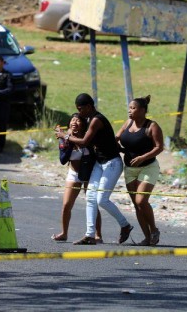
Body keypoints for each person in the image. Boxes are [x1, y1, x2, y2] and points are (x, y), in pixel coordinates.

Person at [55, 93, 133, 245]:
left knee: (102, 199)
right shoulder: (89, 119)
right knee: (91, 197)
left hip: (112, 163)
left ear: (89, 107)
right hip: (99, 163)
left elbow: (84, 142)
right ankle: (90, 235)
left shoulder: (96, 119)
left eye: (80, 109)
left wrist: (65, 136)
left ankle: (125, 225)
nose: (79, 112)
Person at [116, 95, 164, 246]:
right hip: (130, 169)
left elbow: (159, 147)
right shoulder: (128, 123)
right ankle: (147, 237)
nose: (130, 111)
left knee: (141, 200)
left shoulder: (152, 126)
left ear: (143, 110)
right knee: (137, 205)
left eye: (133, 108)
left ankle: (154, 230)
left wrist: (143, 157)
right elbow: (116, 137)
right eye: (129, 108)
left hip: (148, 167)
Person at [52, 113, 102, 243]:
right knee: (66, 205)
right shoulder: (64, 138)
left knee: (92, 203)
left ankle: (98, 234)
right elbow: (63, 160)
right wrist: (68, 140)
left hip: (89, 174)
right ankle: (64, 233)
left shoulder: (88, 137)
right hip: (73, 174)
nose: (75, 122)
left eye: (78, 120)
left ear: (83, 124)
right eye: (72, 120)